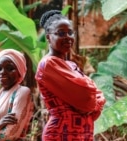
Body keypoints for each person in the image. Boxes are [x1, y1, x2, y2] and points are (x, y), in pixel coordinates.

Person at [35, 10, 106, 141]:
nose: (68, 37)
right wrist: (91, 92)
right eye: (61, 33)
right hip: (61, 134)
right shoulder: (48, 64)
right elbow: (87, 96)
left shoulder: (71, 65)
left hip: (83, 134)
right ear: (48, 37)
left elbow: (96, 98)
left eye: (70, 32)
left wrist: (91, 96)